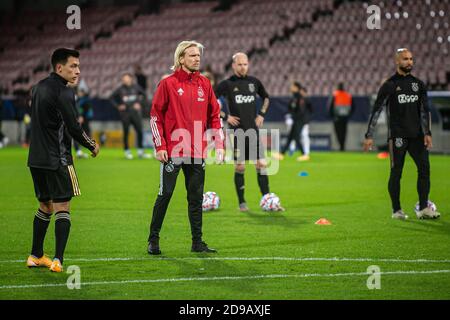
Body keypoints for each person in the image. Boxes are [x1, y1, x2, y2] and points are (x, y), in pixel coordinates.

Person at [147, 40, 224, 255]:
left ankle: (197, 242)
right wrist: (160, 145)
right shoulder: (168, 84)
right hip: (173, 150)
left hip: (197, 151)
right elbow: (155, 117)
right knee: (166, 194)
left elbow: (215, 116)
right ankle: (153, 240)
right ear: (181, 58)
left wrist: (219, 144)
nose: (197, 58)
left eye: (198, 55)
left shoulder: (205, 84)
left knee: (196, 198)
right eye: (192, 55)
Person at [27, 48, 99, 272]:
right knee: (62, 207)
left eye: (78, 66)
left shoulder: (37, 88)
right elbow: (74, 127)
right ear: (60, 68)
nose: (78, 71)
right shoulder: (65, 92)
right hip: (58, 159)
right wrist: (91, 145)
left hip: (36, 159)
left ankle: (36, 255)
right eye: (73, 66)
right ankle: (58, 260)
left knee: (45, 205)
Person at [363, 48, 440, 220]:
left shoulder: (418, 84)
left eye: (411, 59)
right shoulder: (389, 85)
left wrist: (428, 132)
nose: (409, 62)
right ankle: (396, 210)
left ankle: (423, 207)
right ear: (397, 61)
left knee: (425, 169)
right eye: (405, 59)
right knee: (396, 172)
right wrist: (369, 135)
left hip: (417, 136)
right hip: (397, 136)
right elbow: (376, 110)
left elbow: (424, 110)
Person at [216, 52, 283, 212]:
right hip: (237, 132)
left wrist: (261, 114)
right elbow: (210, 102)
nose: (243, 67)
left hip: (252, 131)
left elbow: (266, 97)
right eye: (239, 64)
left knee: (261, 164)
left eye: (245, 64)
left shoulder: (254, 82)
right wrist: (226, 116)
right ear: (233, 66)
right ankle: (242, 203)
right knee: (240, 167)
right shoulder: (227, 84)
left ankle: (267, 200)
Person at [110, 73, 152, 159]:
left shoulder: (136, 87)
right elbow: (111, 98)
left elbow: (144, 95)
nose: (125, 80)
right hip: (125, 114)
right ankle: (127, 151)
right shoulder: (120, 89)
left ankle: (140, 151)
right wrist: (118, 106)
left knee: (140, 131)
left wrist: (140, 103)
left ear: (130, 79)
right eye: (124, 78)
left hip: (136, 113)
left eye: (127, 78)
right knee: (126, 132)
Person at [274, 82, 313, 161]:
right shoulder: (294, 97)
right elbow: (291, 108)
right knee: (290, 137)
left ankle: (304, 155)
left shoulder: (300, 97)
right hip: (296, 119)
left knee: (295, 137)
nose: (291, 88)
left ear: (296, 88)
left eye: (292, 86)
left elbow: (301, 110)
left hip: (300, 120)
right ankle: (282, 154)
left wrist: (294, 117)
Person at [328, 82, 354, 151]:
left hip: (337, 117)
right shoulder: (348, 95)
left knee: (338, 132)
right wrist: (349, 114)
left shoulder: (335, 94)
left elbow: (330, 106)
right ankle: (342, 146)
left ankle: (341, 146)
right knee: (344, 132)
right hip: (345, 117)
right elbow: (353, 106)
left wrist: (331, 116)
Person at [73, 88, 94, 159]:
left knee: (82, 133)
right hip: (76, 118)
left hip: (83, 119)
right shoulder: (78, 99)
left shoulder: (84, 100)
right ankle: (79, 150)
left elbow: (87, 111)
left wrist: (81, 116)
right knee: (76, 133)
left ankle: (79, 151)